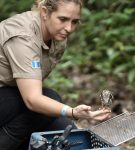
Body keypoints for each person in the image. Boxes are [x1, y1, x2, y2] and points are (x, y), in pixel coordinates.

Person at [0, 0, 111, 149]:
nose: (69, 28)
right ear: (45, 12)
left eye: (75, 22)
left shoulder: (57, 35)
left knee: (66, 133)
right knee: (51, 99)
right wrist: (71, 111)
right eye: (63, 19)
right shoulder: (22, 37)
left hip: (8, 96)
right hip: (8, 97)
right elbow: (32, 100)